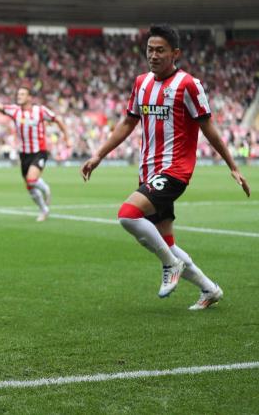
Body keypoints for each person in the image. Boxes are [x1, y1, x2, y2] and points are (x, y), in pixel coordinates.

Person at [80, 24, 251, 310]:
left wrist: (232, 166)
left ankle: (171, 265)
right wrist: (99, 154)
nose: (154, 55)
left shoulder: (188, 85)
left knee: (127, 215)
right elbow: (128, 122)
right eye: (150, 50)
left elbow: (208, 127)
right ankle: (209, 289)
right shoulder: (141, 83)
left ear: (175, 53)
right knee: (166, 242)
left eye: (160, 50)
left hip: (175, 170)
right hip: (148, 171)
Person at [0, 83, 70, 221]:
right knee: (29, 186)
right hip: (24, 154)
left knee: (32, 179)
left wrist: (67, 138)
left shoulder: (40, 111)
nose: (19, 96)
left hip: (39, 151)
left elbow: (58, 120)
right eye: (18, 94)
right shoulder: (14, 111)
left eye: (22, 94)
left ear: (29, 98)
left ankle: (46, 189)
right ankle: (44, 209)